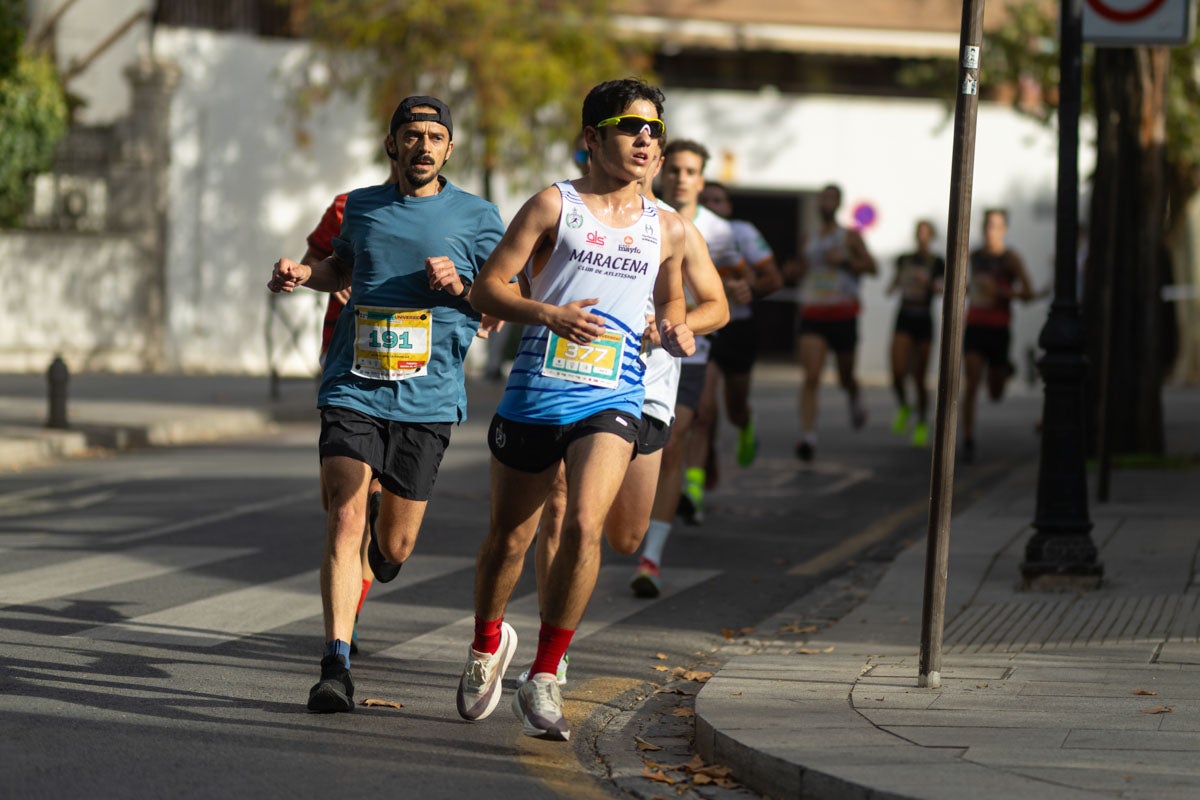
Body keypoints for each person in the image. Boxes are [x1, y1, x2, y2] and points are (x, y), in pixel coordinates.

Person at [457, 78, 693, 742]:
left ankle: (546, 674)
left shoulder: (667, 228)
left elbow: (673, 303)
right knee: (510, 539)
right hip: (537, 389)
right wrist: (547, 313)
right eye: (630, 126)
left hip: (615, 394)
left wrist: (676, 330)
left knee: (587, 526)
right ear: (593, 138)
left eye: (655, 129)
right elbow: (489, 287)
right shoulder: (552, 205)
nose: (646, 139)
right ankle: (484, 646)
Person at [268, 96, 505, 713]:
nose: (422, 145)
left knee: (394, 548)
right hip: (354, 382)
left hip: (428, 396)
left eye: (434, 136)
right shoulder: (362, 206)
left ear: (449, 148)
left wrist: (461, 287)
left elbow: (509, 296)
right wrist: (303, 274)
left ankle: (382, 545)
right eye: (411, 134)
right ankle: (335, 665)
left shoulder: (479, 217)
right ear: (391, 145)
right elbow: (339, 266)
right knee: (345, 515)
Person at [514, 136, 729, 684]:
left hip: (649, 389)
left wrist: (680, 327)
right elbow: (528, 275)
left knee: (622, 536)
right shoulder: (572, 213)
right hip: (575, 385)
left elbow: (716, 306)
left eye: (657, 150)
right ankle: (551, 648)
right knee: (565, 510)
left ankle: (634, 560)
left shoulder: (673, 227)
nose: (648, 158)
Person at [301, 161, 400, 656]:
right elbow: (314, 261)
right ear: (392, 150)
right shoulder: (347, 207)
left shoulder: (438, 216)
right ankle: (350, 600)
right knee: (337, 499)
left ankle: (348, 617)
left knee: (361, 503)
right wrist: (328, 276)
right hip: (341, 354)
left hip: (401, 365)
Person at [655, 140, 743, 527]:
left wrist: (743, 288)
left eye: (690, 172)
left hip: (699, 341)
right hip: (643, 344)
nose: (680, 179)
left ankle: (691, 489)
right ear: (661, 171)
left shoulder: (719, 231)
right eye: (674, 170)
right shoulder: (646, 215)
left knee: (700, 418)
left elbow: (749, 276)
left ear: (701, 180)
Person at [786, 184, 877, 462]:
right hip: (814, 312)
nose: (825, 203)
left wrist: (846, 260)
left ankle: (854, 395)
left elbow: (873, 267)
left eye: (831, 199)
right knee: (811, 376)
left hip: (843, 313)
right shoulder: (808, 237)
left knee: (844, 376)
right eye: (822, 198)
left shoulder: (849, 236)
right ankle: (808, 436)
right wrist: (793, 270)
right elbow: (802, 268)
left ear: (838, 204)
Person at [697, 181, 783, 467]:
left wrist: (751, 289)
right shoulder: (684, 226)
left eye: (718, 200)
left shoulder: (741, 233)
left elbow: (774, 279)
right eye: (705, 199)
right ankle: (701, 470)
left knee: (734, 407)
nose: (711, 205)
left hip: (738, 328)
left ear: (729, 207)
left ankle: (745, 423)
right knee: (704, 408)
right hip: (703, 328)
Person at [962, 208, 1035, 462]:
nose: (989, 229)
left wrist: (1001, 291)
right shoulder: (973, 256)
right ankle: (968, 439)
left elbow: (1028, 293)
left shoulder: (1010, 259)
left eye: (995, 225)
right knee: (970, 384)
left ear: (1004, 229)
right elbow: (968, 285)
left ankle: (1004, 369)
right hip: (975, 325)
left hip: (999, 328)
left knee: (995, 393)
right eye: (986, 225)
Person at [887, 219, 945, 448]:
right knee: (897, 371)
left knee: (919, 377)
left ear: (931, 237)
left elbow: (942, 289)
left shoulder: (936, 261)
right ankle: (904, 405)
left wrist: (927, 282)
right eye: (919, 233)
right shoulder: (904, 259)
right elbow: (893, 284)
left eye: (926, 233)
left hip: (923, 319)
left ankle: (922, 422)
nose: (922, 237)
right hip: (904, 316)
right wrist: (894, 285)